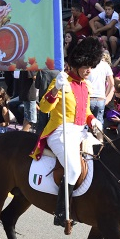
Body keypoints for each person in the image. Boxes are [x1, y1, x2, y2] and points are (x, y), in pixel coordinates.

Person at [31, 37, 104, 227]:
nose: (89, 70)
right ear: (77, 63)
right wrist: (55, 89)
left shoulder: (86, 86)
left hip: (80, 132)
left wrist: (93, 120)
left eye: (92, 66)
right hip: (59, 131)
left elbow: (86, 111)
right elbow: (45, 108)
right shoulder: (61, 80)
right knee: (73, 169)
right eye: (87, 66)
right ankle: (61, 212)